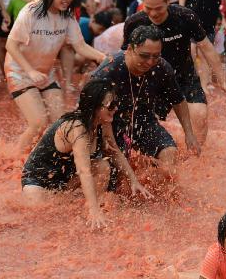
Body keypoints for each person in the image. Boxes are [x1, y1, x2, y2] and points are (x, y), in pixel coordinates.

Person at [22, 79, 150, 228]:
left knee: (102, 166)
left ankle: (95, 210)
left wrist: (134, 180)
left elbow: (115, 152)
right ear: (94, 107)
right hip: (39, 182)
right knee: (46, 219)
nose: (115, 109)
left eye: (116, 104)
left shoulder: (103, 121)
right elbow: (84, 171)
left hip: (65, 180)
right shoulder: (77, 129)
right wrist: (93, 210)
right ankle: (93, 212)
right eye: (111, 105)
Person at [124, 0, 226, 145]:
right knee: (143, 123)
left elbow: (206, 47)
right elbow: (126, 56)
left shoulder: (185, 16)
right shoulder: (134, 22)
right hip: (151, 78)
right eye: (148, 8)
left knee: (200, 115)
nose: (153, 13)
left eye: (158, 8)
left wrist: (223, 80)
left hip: (184, 75)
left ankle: (197, 159)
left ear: (168, 2)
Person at [5, 0, 106, 152]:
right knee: (38, 122)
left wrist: (102, 57)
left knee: (61, 122)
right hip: (19, 71)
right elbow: (10, 45)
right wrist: (30, 72)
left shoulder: (67, 17)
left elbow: (80, 46)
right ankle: (14, 160)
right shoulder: (31, 12)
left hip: (45, 73)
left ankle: (46, 157)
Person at [92, 25, 200, 177]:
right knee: (114, 176)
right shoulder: (108, 71)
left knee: (169, 154)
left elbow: (178, 100)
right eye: (144, 56)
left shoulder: (161, 67)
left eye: (155, 56)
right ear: (130, 49)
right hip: (110, 125)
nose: (150, 62)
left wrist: (189, 133)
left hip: (144, 121)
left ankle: (157, 197)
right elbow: (86, 108)